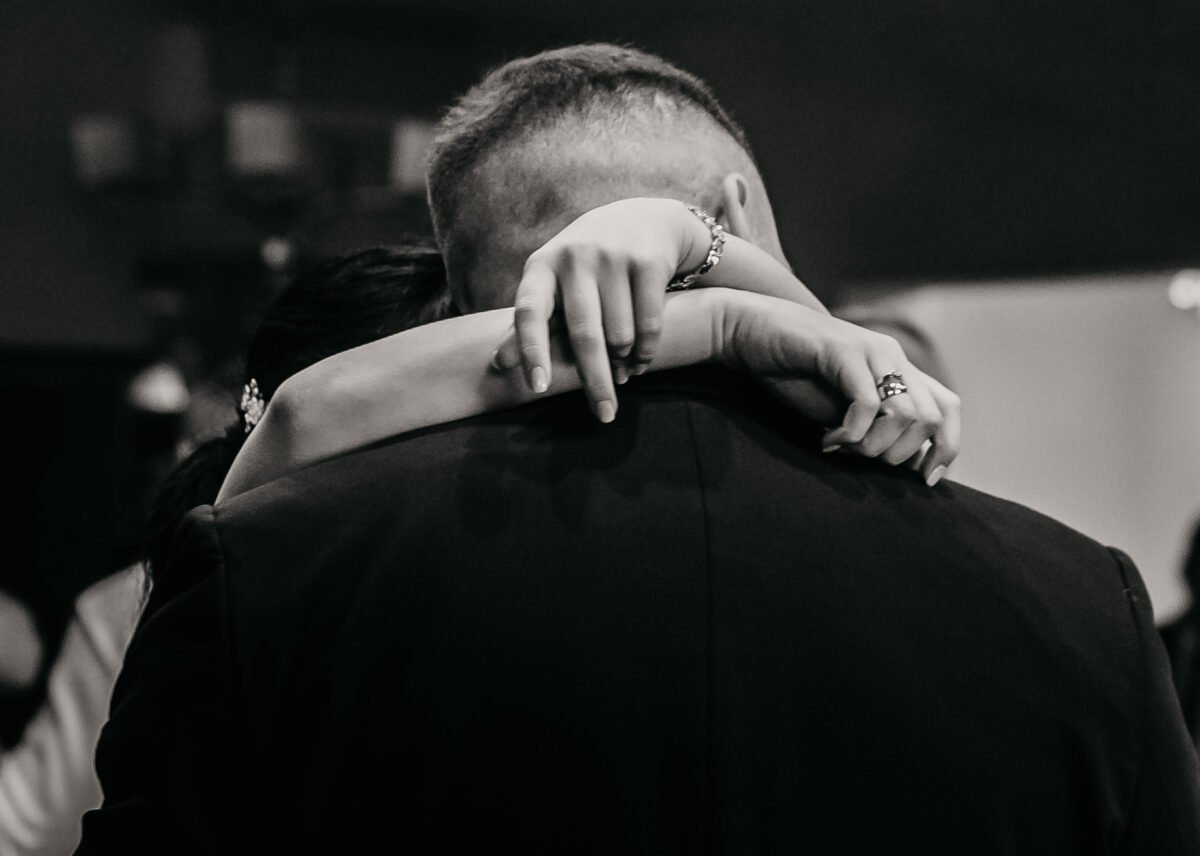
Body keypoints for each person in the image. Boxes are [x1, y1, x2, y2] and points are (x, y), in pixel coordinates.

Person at [80, 46, 1198, 856]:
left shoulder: (272, 562)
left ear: (459, 302)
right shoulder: (1079, 603)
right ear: (739, 212)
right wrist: (731, 300)